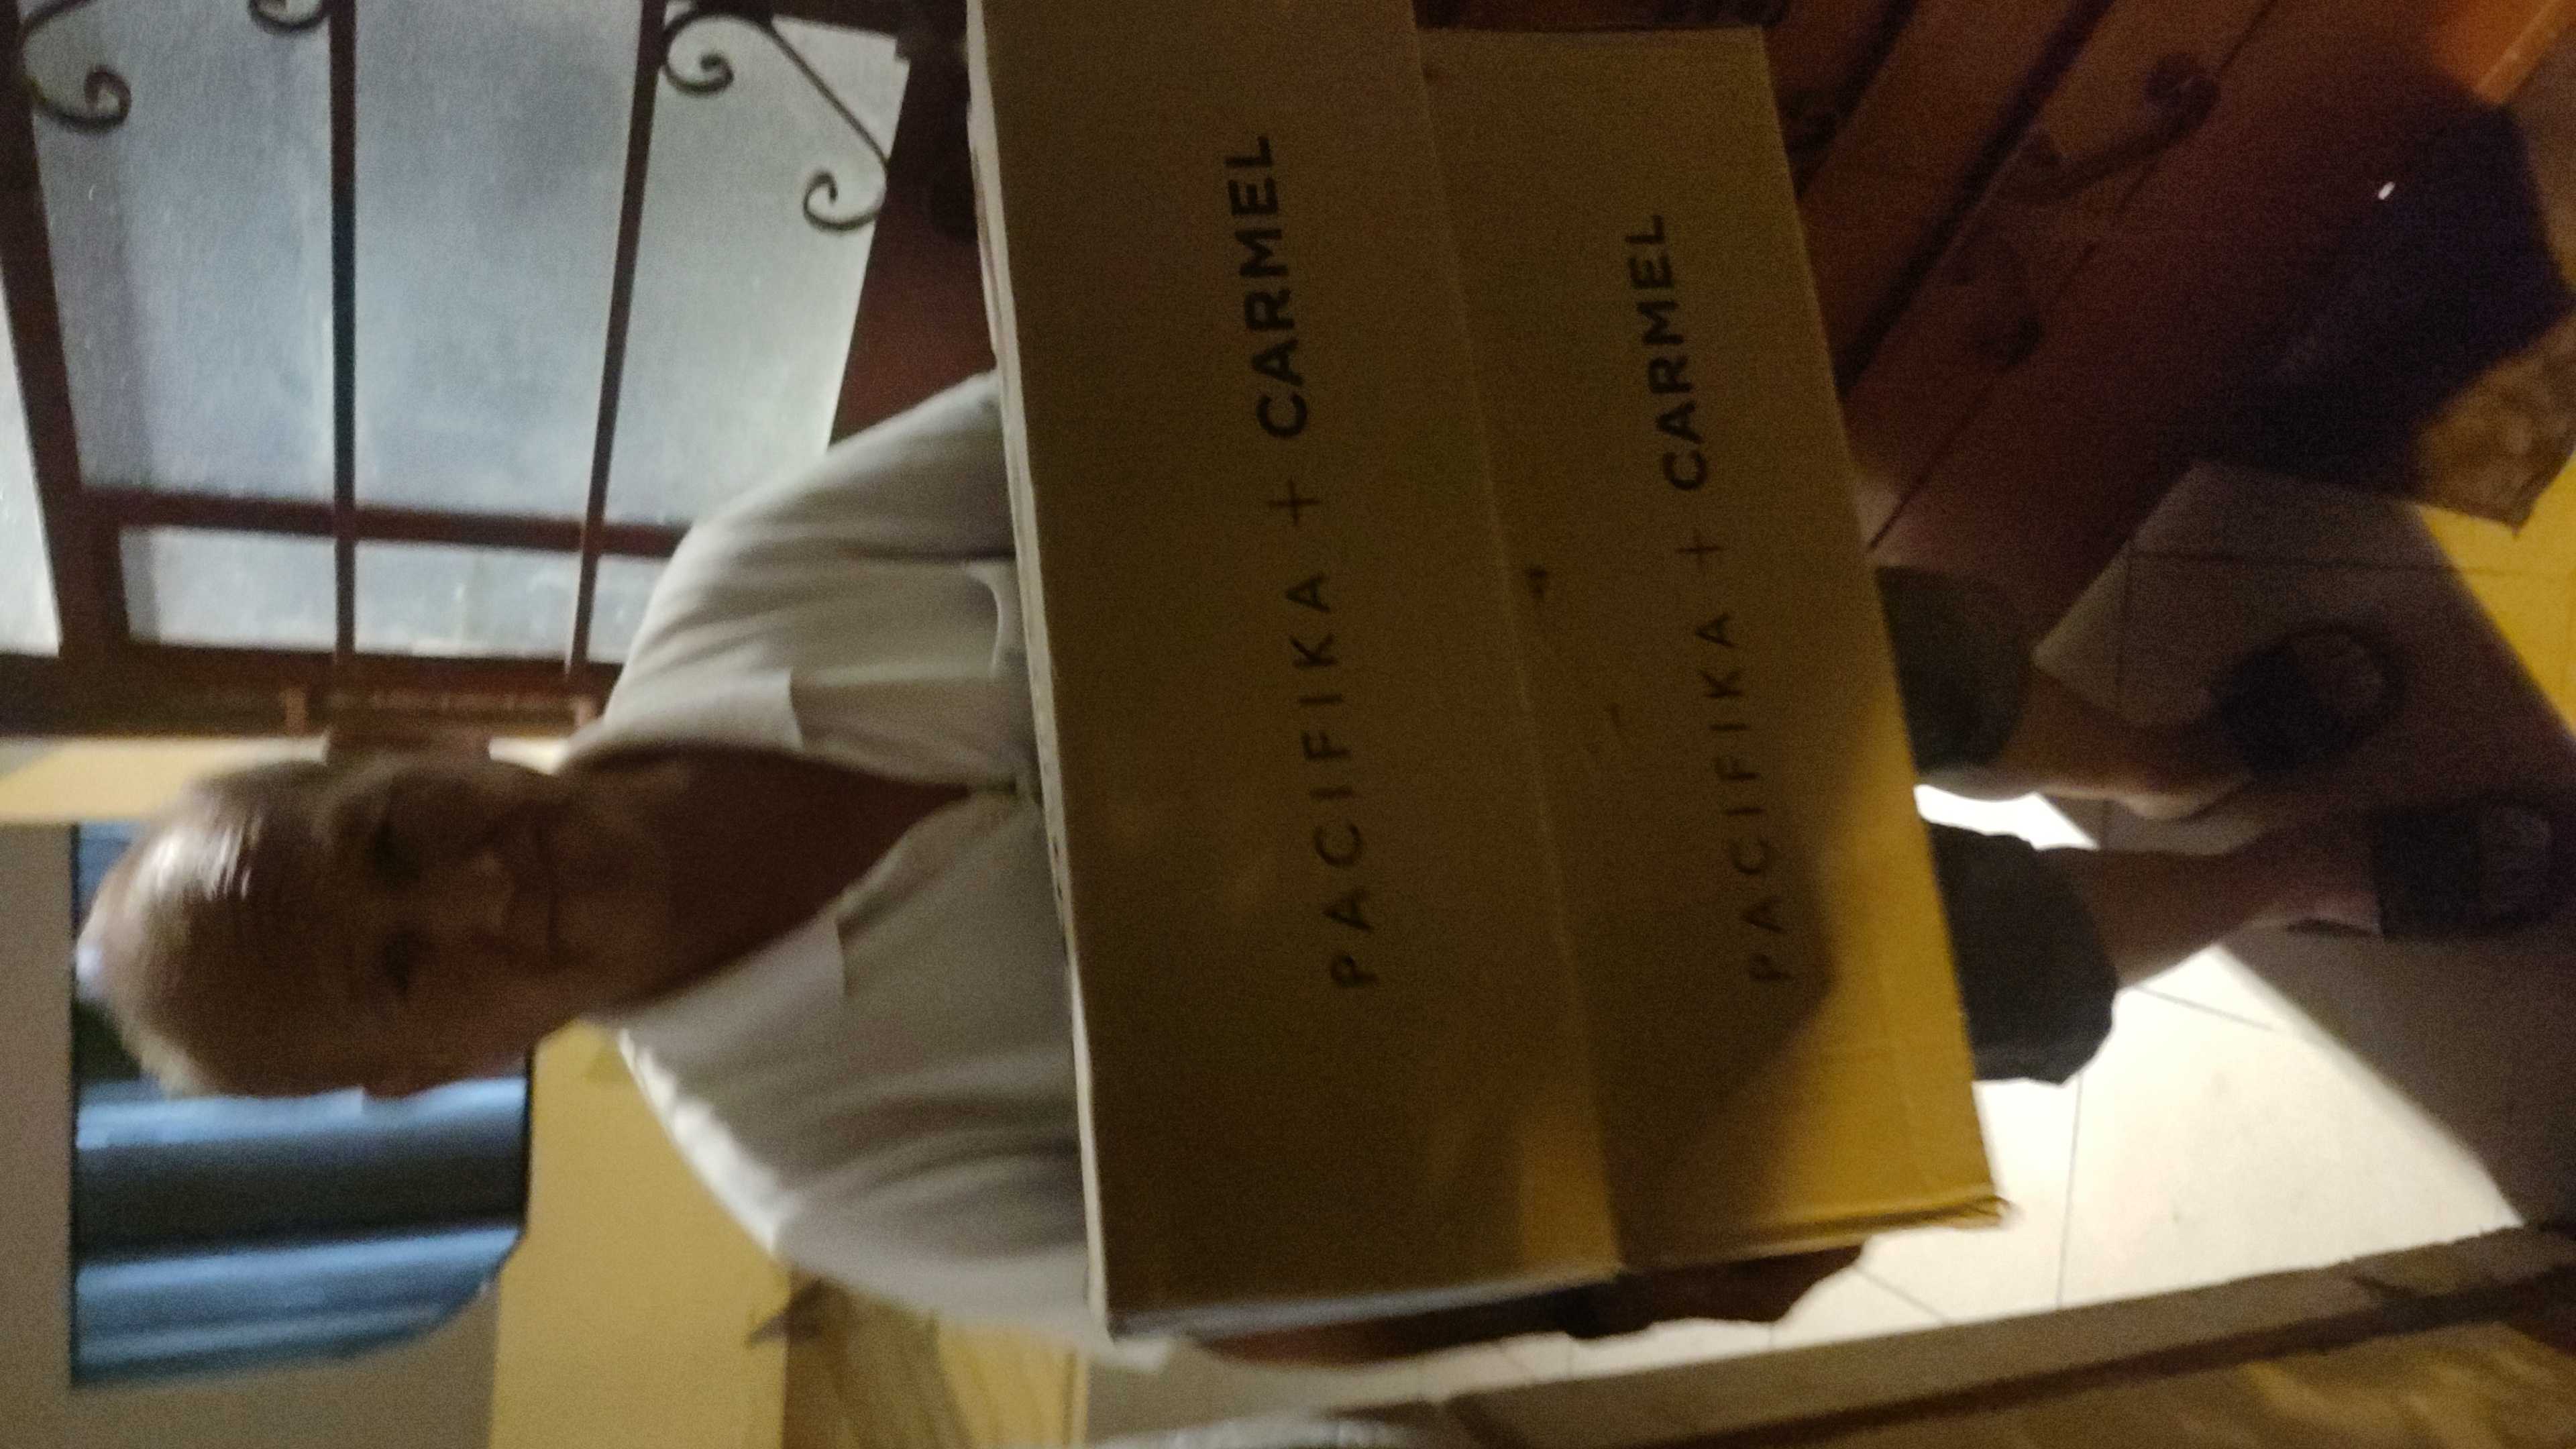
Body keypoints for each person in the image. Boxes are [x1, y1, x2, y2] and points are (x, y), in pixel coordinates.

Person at [75, 374, 2562, 1363]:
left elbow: (1102, 370)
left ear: (397, 744)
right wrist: (1617, 1287)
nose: (471, 896)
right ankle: (2285, 875)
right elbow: (1232, 1300)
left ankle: (2173, 753)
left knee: (1930, 663)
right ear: (422, 1075)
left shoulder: (738, 592)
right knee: (2001, 959)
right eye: (399, 970)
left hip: (1597, 638)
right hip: (1625, 973)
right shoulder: (817, 1159)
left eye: (391, 840)